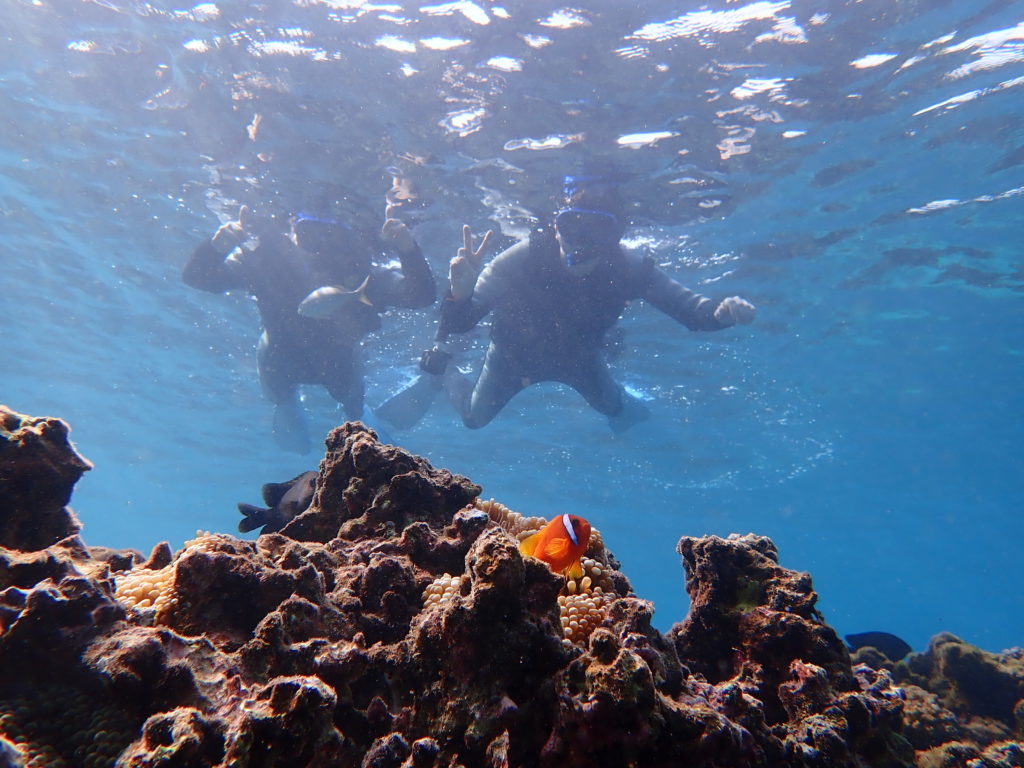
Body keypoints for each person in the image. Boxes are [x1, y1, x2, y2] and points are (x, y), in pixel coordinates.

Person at [416, 176, 755, 432]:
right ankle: (445, 375)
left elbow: (693, 312)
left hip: (579, 358)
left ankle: (620, 398)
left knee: (613, 408)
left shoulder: (628, 266)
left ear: (615, 237)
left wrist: (722, 314)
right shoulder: (523, 258)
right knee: (474, 419)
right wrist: (459, 292)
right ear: (555, 225)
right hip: (511, 356)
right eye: (571, 224)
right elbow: (461, 322)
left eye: (597, 230)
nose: (580, 239)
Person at [183, 201, 435, 453]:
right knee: (291, 401)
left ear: (347, 240)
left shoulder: (363, 275)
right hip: (280, 360)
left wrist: (407, 249)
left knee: (353, 409)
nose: (321, 245)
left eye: (332, 236)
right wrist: (216, 247)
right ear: (292, 233)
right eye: (309, 232)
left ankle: (357, 425)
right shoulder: (266, 263)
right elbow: (197, 277)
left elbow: (420, 296)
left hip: (335, 364)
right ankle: (302, 413)